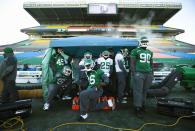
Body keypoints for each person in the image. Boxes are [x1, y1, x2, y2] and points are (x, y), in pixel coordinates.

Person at [130, 37, 153, 118]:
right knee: (138, 91)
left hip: (148, 73)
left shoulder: (150, 52)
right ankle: (137, 107)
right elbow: (132, 63)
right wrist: (134, 73)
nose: (145, 42)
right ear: (140, 42)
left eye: (146, 41)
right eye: (143, 41)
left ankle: (143, 105)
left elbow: (151, 64)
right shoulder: (135, 50)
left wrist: (151, 73)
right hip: (139, 73)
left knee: (145, 91)